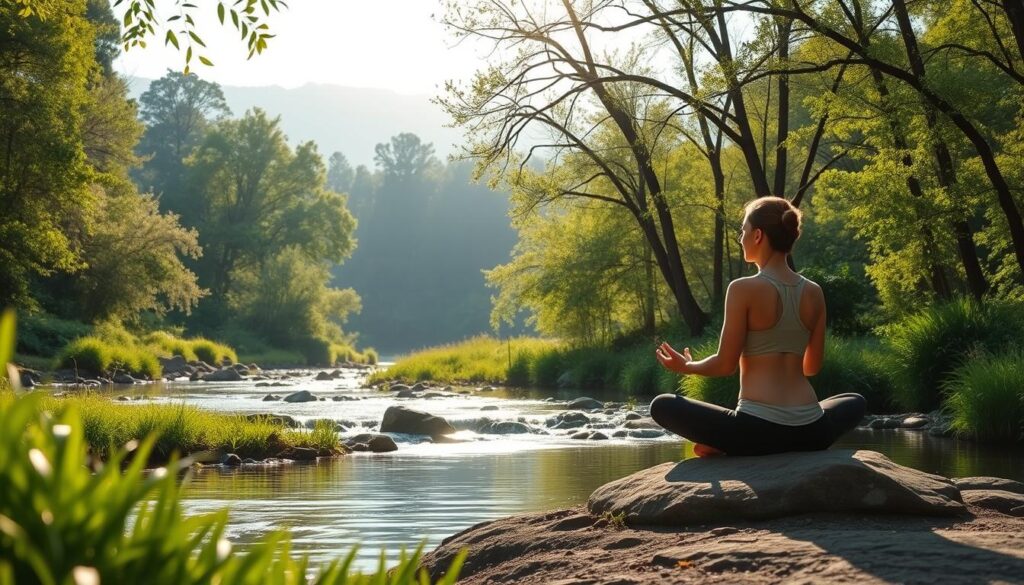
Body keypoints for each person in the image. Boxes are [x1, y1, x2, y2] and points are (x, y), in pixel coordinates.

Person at [650, 196, 866, 457]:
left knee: (661, 405)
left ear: (758, 235)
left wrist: (686, 367)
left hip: (757, 432)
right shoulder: (814, 291)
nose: (741, 238)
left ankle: (729, 444)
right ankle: (738, 443)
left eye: (743, 230)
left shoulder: (743, 289)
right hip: (813, 431)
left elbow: (725, 364)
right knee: (855, 401)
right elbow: (811, 367)